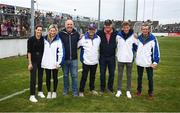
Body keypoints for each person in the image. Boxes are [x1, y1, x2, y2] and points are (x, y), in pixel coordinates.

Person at [135, 22, 160, 97]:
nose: (145, 30)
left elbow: (156, 51)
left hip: (149, 63)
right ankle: (139, 91)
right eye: (143, 29)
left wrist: (155, 62)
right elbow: (135, 48)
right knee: (139, 78)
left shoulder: (153, 38)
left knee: (150, 78)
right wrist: (134, 39)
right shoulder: (138, 38)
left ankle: (150, 91)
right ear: (141, 29)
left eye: (146, 29)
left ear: (149, 29)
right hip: (139, 62)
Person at [115, 21, 137, 98]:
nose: (126, 29)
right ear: (122, 28)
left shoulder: (133, 36)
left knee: (129, 76)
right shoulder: (118, 36)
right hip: (120, 58)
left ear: (129, 27)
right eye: (124, 27)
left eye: (127, 27)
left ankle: (128, 91)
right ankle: (119, 90)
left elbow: (136, 47)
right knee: (120, 75)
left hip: (129, 59)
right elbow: (116, 44)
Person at [41, 24, 64, 99]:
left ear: (56, 31)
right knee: (47, 77)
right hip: (47, 62)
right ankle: (48, 92)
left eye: (54, 31)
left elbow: (60, 52)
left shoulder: (58, 40)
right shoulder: (44, 39)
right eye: (51, 30)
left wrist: (58, 62)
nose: (52, 32)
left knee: (55, 77)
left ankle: (54, 92)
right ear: (49, 31)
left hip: (55, 63)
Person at [78, 23, 101, 97]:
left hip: (94, 62)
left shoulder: (98, 38)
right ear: (88, 30)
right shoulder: (83, 38)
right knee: (84, 77)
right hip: (86, 62)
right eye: (90, 29)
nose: (91, 31)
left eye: (93, 29)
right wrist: (79, 37)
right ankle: (81, 91)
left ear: (95, 30)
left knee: (92, 77)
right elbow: (77, 46)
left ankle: (92, 89)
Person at [59, 19, 80, 96]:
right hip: (65, 59)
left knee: (74, 76)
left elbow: (80, 43)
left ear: (73, 25)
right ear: (65, 25)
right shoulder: (61, 34)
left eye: (71, 24)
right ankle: (66, 90)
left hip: (74, 59)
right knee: (65, 76)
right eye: (68, 24)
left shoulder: (76, 34)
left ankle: (75, 92)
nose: (69, 26)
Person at [97, 19, 118, 93]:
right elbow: (91, 34)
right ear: (104, 25)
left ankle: (110, 88)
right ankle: (102, 88)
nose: (108, 26)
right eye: (106, 25)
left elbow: (126, 34)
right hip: (102, 57)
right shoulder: (99, 33)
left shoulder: (116, 33)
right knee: (102, 73)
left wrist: (133, 34)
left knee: (111, 73)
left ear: (111, 25)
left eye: (109, 25)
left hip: (112, 57)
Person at [27, 24, 45, 103]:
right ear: (35, 30)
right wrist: (30, 63)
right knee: (33, 78)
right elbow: (29, 52)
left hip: (41, 61)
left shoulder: (43, 39)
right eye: (38, 30)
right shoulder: (31, 39)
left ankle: (40, 91)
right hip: (33, 61)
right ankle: (32, 95)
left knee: (40, 77)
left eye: (41, 30)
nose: (39, 31)